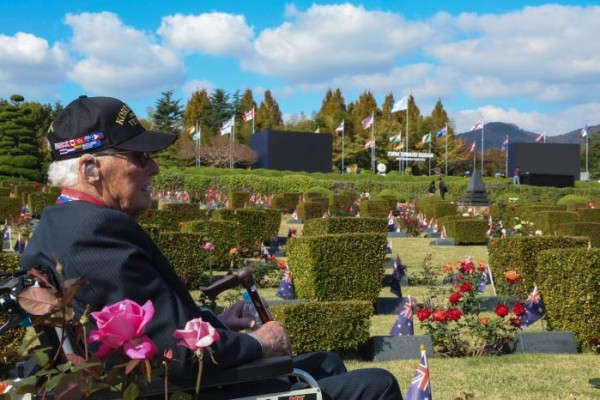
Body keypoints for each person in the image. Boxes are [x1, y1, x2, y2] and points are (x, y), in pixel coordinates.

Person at [20, 96, 402, 400]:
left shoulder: (61, 224)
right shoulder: (94, 232)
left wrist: (215, 323)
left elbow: (153, 327)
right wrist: (257, 342)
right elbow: (177, 356)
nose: (154, 167)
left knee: (328, 362)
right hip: (186, 389)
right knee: (377, 385)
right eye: (139, 157)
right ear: (90, 169)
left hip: (174, 384)